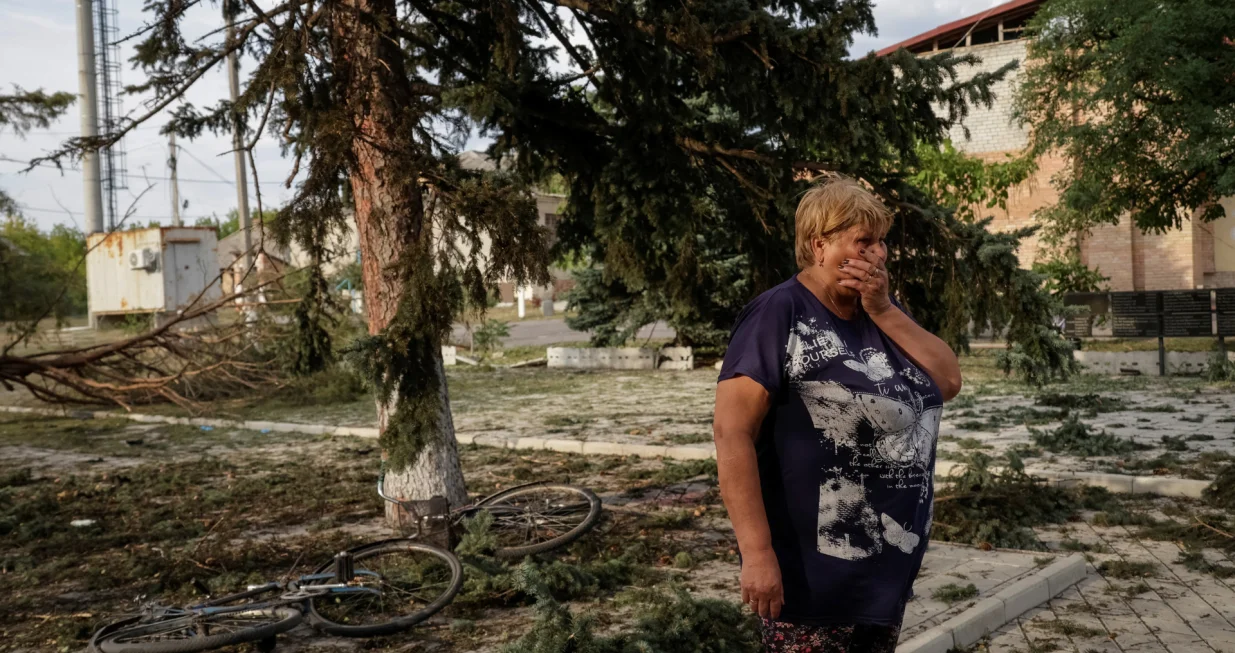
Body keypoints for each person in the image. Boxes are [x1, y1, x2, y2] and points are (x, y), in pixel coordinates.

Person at [713, 176, 962, 652]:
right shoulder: (779, 312)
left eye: (882, 242)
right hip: (811, 575)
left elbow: (947, 381)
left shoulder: (879, 311)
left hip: (883, 573)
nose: (880, 254)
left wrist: (885, 309)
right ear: (820, 244)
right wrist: (757, 552)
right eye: (865, 242)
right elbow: (731, 433)